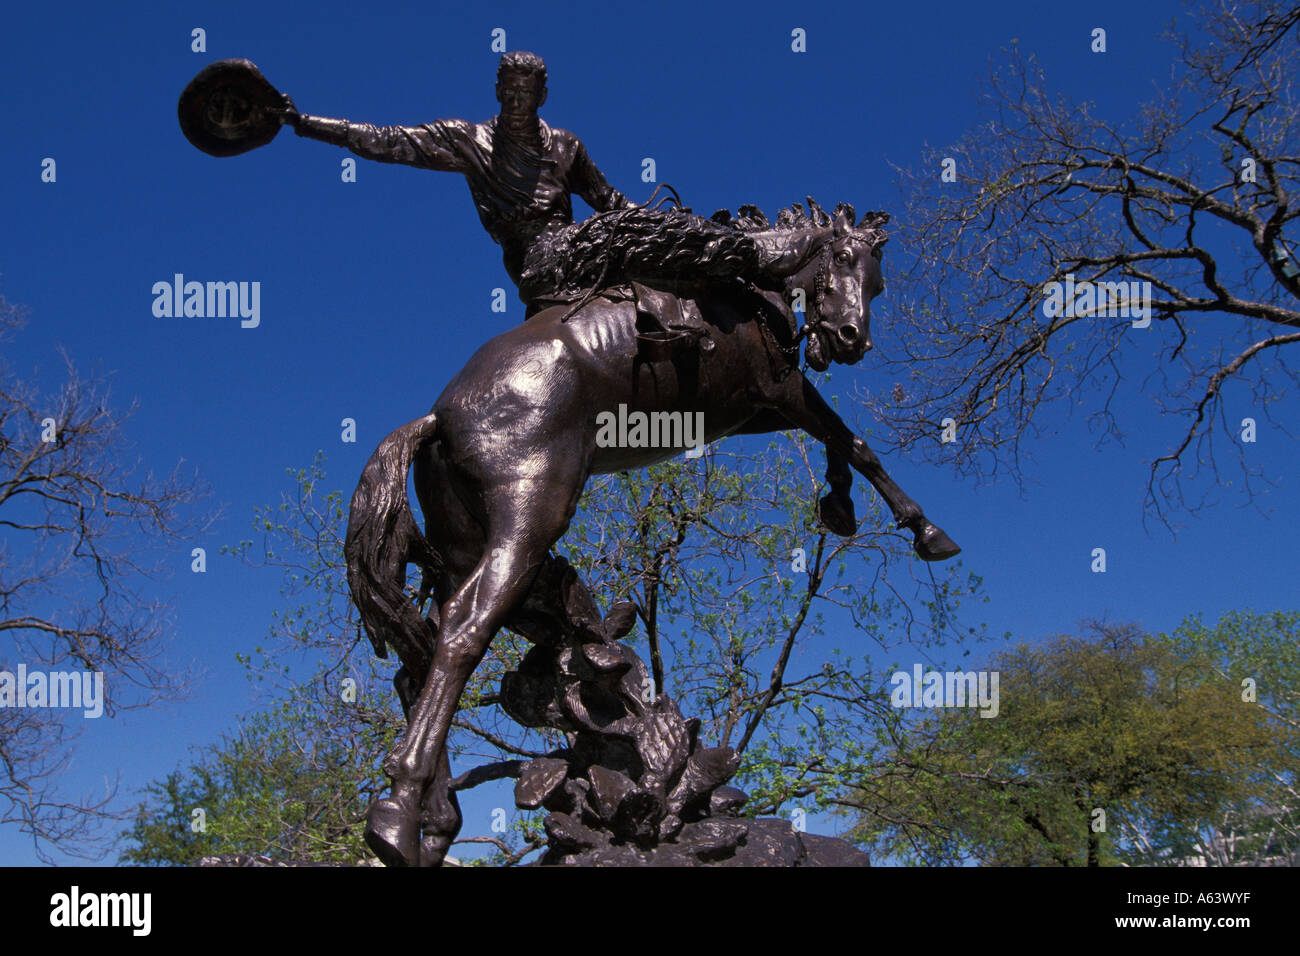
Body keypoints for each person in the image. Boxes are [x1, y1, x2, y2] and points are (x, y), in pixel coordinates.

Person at [276, 51, 817, 311]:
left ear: (541, 96)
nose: (514, 99)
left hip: (581, 245)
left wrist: (654, 221)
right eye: (506, 89)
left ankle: (731, 270)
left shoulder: (566, 146)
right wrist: (310, 126)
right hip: (538, 260)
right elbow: (389, 140)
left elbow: (608, 201)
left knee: (650, 230)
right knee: (635, 236)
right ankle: (757, 256)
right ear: (496, 90)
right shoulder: (467, 140)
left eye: (524, 91)